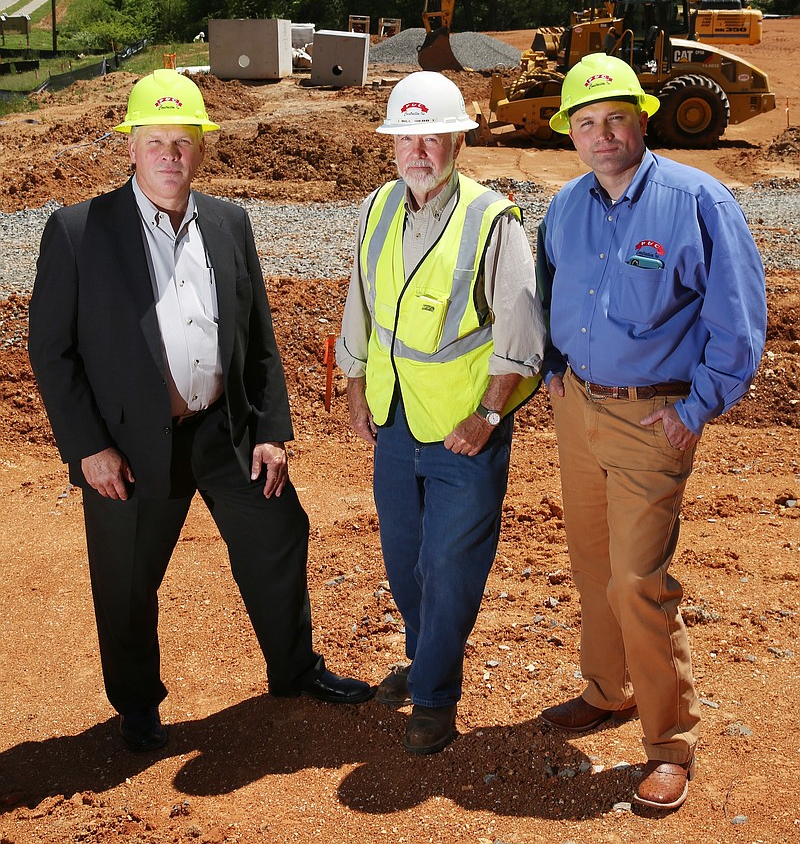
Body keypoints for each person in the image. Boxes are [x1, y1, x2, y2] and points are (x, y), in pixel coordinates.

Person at [28, 69, 372, 753]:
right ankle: (136, 703)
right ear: (130, 147)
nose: (169, 156)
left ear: (202, 149)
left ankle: (295, 669)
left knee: (280, 535)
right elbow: (50, 351)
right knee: (125, 583)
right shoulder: (77, 232)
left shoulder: (228, 222)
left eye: (182, 143)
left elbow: (259, 336)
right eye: (154, 142)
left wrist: (271, 430)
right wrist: (88, 447)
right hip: (128, 447)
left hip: (225, 431)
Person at [535, 53, 767, 812]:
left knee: (638, 578)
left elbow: (738, 320)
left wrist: (696, 409)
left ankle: (669, 741)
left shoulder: (697, 200)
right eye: (586, 121)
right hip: (579, 407)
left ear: (643, 117)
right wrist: (552, 374)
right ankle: (608, 689)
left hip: (653, 416)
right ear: (571, 132)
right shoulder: (565, 206)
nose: (602, 134)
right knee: (592, 561)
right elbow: (548, 296)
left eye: (616, 117)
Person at [336, 72, 545, 754]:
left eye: (431, 135)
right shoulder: (375, 209)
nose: (417, 150)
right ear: (391, 145)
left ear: (459, 138)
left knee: (450, 565)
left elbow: (520, 338)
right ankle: (427, 660)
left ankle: (433, 696)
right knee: (405, 564)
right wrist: (354, 383)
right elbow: (361, 306)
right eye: (405, 137)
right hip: (395, 421)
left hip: (465, 430)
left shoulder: (492, 220)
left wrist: (486, 417)